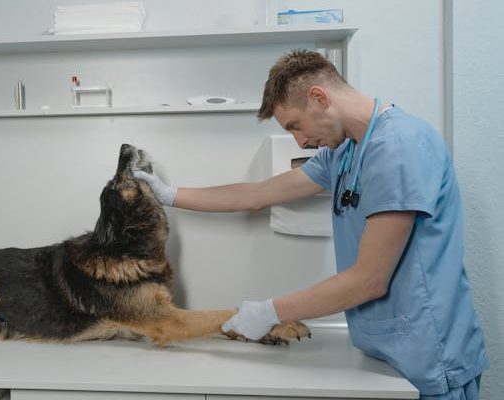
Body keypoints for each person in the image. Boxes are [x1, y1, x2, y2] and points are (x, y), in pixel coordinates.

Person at [133, 49, 488, 399]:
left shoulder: (398, 149)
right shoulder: (343, 151)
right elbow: (258, 194)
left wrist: (270, 311)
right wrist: (170, 194)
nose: (300, 142)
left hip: (428, 356)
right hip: (386, 352)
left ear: (319, 98)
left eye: (295, 126)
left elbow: (369, 279)